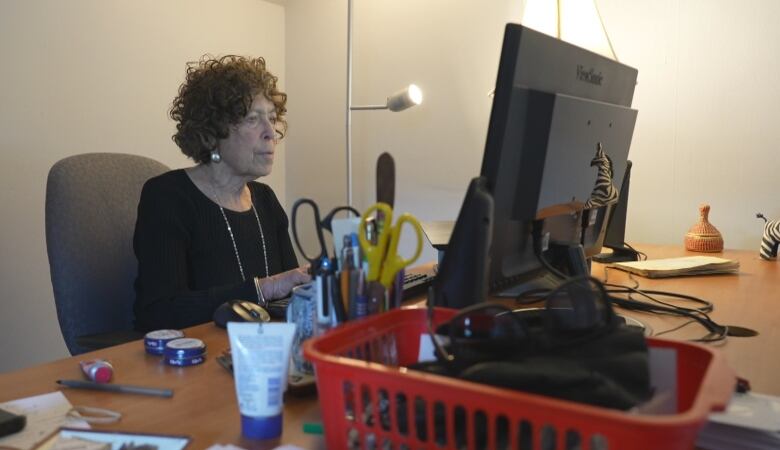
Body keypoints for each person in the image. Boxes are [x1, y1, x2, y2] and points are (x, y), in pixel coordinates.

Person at [133, 55, 310, 331]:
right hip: (193, 362)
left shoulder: (265, 200)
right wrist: (264, 288)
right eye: (253, 119)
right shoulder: (167, 197)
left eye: (272, 119)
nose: (270, 133)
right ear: (212, 132)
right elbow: (160, 312)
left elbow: (291, 294)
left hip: (263, 355)